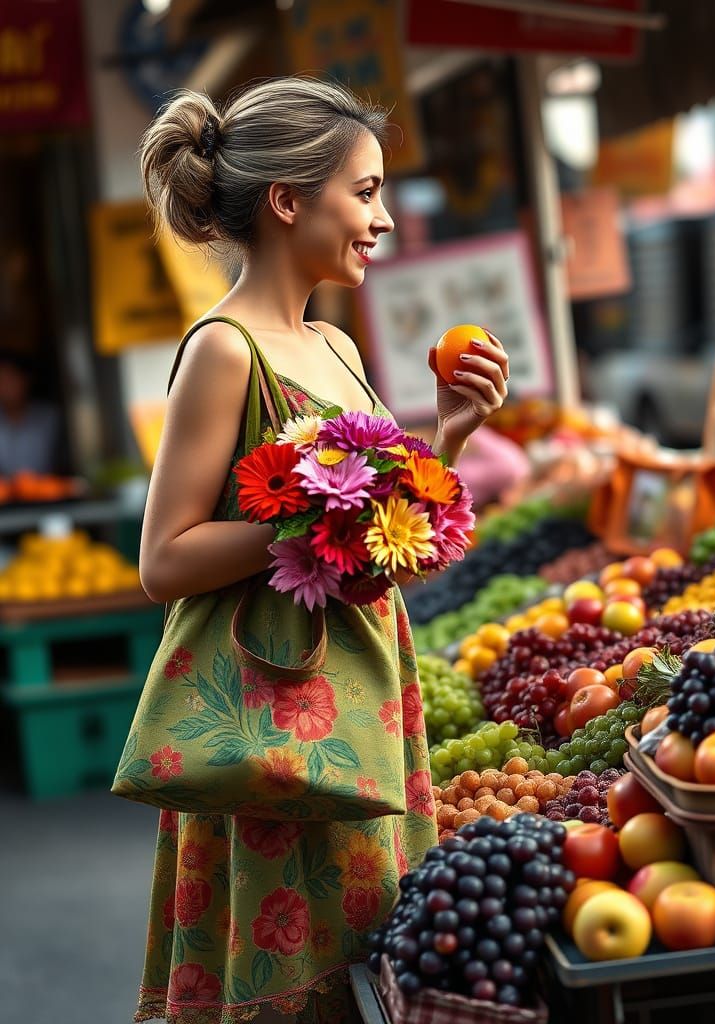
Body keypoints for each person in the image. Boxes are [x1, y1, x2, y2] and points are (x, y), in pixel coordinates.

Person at [129, 79, 509, 1024]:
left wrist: (447, 440)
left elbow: (381, 543)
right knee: (291, 974)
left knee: (364, 964)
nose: (383, 219)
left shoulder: (336, 346)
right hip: (275, 713)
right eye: (365, 192)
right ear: (287, 201)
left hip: (361, 699)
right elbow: (165, 560)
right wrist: (308, 524)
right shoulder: (225, 350)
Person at [0, 352, 60, 477]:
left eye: (11, 378)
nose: (5, 386)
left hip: (45, 486)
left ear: (26, 380)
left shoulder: (49, 417)